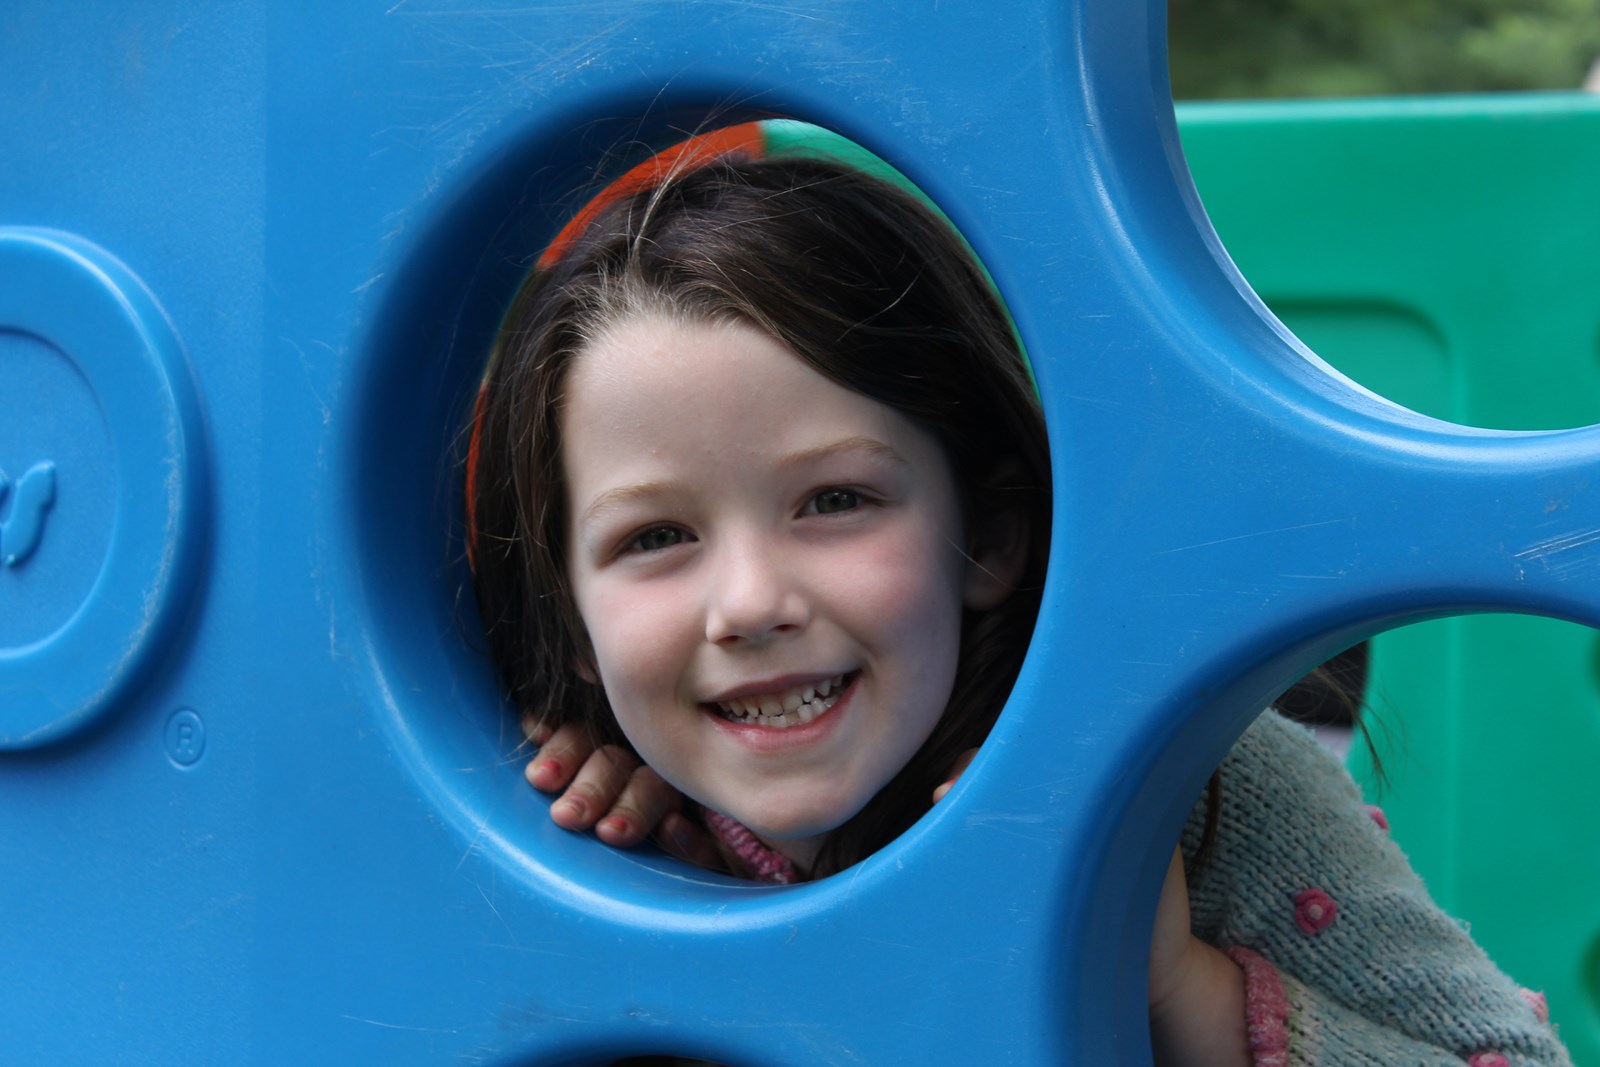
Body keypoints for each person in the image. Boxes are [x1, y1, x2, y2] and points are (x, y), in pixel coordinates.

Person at [465, 121, 1572, 1066]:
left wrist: (1173, 983)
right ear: (569, 610)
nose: (749, 603)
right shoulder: (560, 827)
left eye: (835, 500)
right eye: (657, 536)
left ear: (987, 536)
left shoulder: (1190, 786)